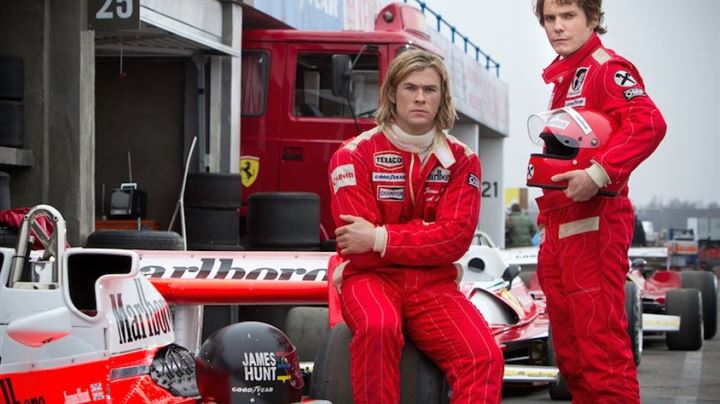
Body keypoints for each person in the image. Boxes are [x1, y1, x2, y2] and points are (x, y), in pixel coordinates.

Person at [327, 49, 503, 404]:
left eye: (430, 89)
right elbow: (357, 250)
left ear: (442, 97)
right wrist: (425, 236)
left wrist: (378, 237)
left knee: (484, 356)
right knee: (378, 328)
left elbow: (454, 240)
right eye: (410, 88)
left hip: (434, 286)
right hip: (370, 280)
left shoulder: (463, 160)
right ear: (392, 93)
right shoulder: (352, 154)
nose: (420, 97)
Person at [532, 1, 666, 402]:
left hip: (595, 223)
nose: (557, 27)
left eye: (568, 16)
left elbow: (649, 123)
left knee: (600, 351)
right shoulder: (566, 76)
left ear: (592, 19)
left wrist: (599, 173)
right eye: (550, 19)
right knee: (572, 355)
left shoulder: (606, 68)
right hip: (560, 226)